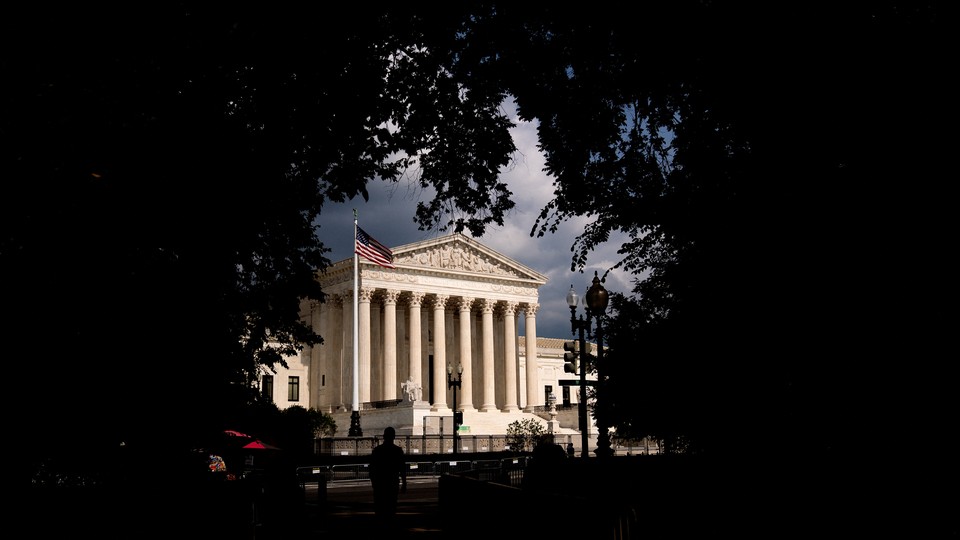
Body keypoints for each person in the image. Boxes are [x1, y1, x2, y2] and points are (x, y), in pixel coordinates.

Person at [369, 426, 407, 528]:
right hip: (392, 483)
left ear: (383, 437)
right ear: (393, 437)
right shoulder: (397, 451)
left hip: (380, 484)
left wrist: (374, 483)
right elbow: (402, 468)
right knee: (391, 507)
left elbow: (372, 468)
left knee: (380, 507)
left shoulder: (377, 450)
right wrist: (404, 483)